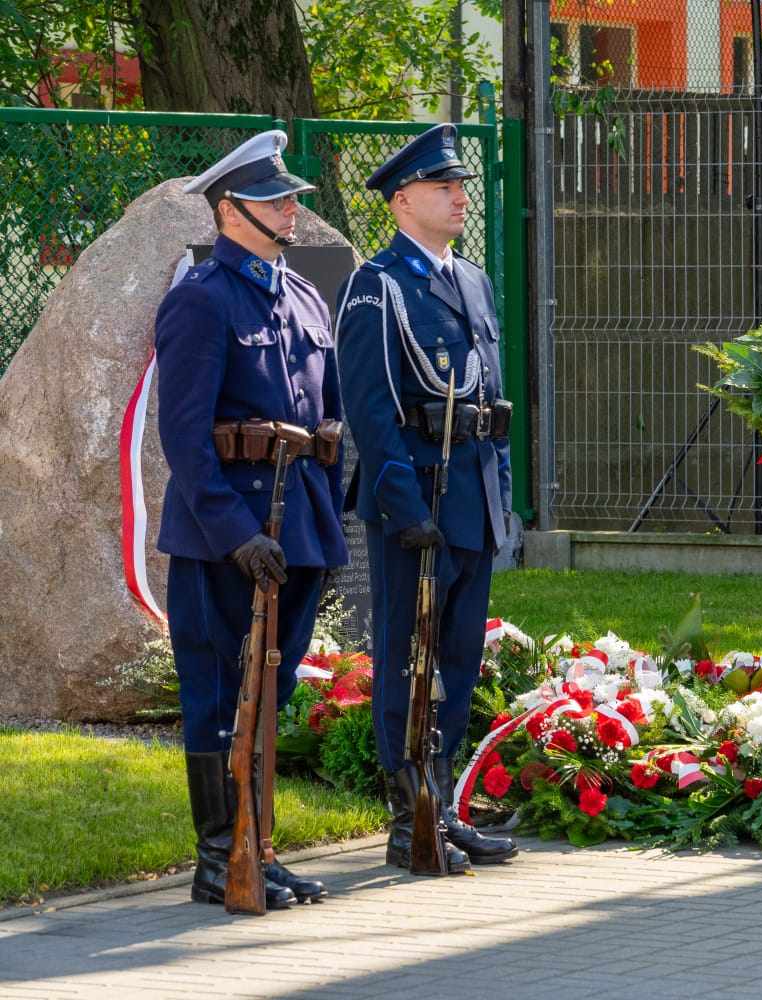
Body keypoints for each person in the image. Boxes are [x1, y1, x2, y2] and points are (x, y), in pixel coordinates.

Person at [157, 130, 347, 909]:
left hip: (295, 525)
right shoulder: (199, 300)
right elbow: (185, 438)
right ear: (230, 210)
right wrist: (236, 535)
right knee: (219, 693)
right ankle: (218, 857)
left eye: (293, 195)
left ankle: (258, 848)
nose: (293, 206)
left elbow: (329, 423)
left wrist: (324, 519)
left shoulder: (302, 295)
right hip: (222, 536)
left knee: (272, 691)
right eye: (276, 198)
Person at [334, 124, 518, 872]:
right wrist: (403, 506)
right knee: (406, 654)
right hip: (418, 499)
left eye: (461, 185)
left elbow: (493, 402)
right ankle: (406, 814)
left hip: (470, 495)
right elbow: (372, 411)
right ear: (403, 199)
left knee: (460, 657)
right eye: (444, 187)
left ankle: (441, 807)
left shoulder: (469, 279)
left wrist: (500, 495)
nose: (459, 196)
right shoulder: (377, 286)